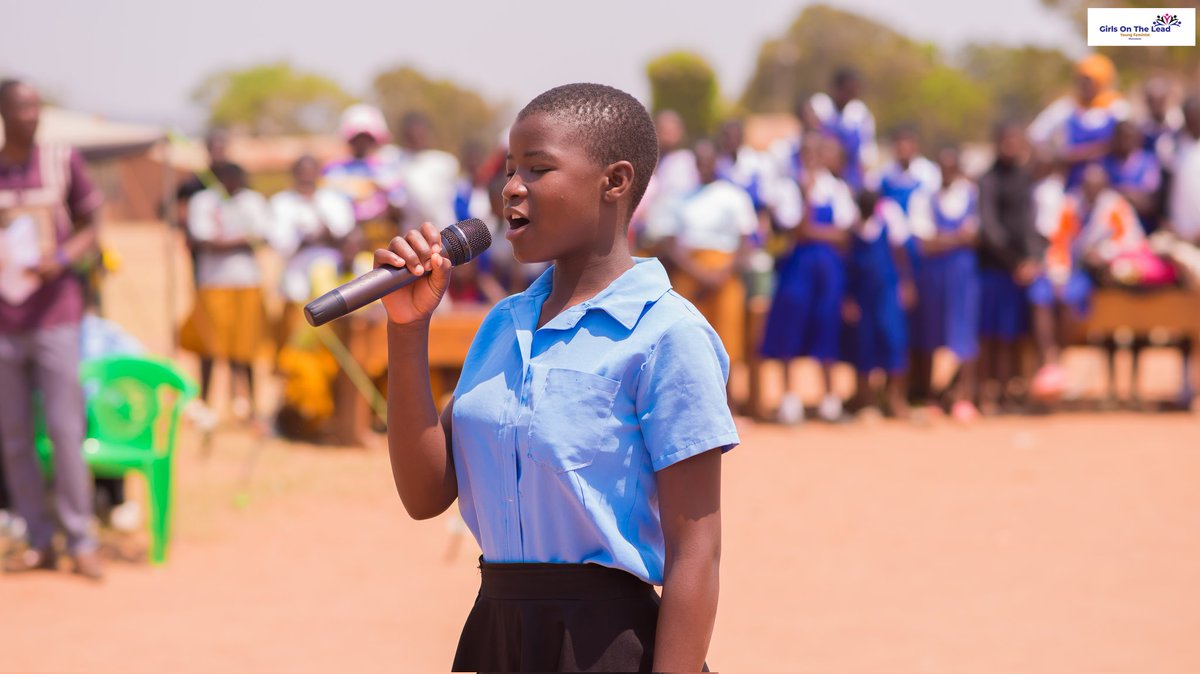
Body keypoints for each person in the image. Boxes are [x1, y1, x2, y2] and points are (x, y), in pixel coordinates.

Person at [378, 83, 736, 672]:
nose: (511, 186)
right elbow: (423, 495)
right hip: (498, 634)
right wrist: (407, 329)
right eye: (511, 168)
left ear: (615, 182)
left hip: (605, 645)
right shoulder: (504, 324)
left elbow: (696, 552)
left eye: (538, 169)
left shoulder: (666, 334)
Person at [0, 79, 104, 579]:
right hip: (5, 323)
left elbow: (92, 223)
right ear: (3, 112)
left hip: (56, 317)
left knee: (66, 432)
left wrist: (61, 258)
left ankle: (81, 539)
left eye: (35, 107)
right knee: (15, 438)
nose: (29, 115)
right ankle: (39, 539)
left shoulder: (62, 161)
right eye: (20, 107)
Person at [760, 135, 858, 424]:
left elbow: (845, 235)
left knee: (826, 325)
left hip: (828, 270)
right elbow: (798, 231)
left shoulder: (836, 188)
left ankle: (830, 399)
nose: (813, 157)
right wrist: (807, 201)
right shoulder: (788, 189)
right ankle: (790, 399)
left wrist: (813, 231)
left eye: (819, 152)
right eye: (808, 152)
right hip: (797, 267)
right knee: (790, 326)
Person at [1028, 163, 1145, 401]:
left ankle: (1058, 362)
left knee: (1071, 299)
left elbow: (1132, 243)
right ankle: (1049, 365)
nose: (1091, 191)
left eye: (1096, 187)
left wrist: (1104, 253)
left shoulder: (1115, 207)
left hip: (1100, 274)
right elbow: (1057, 242)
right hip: (1067, 268)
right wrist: (1059, 272)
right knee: (1040, 294)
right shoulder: (1070, 205)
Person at [651, 139, 757, 395]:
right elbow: (670, 243)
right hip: (690, 274)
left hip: (725, 274)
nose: (705, 166)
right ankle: (691, 400)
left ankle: (730, 403)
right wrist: (698, 273)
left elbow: (746, 243)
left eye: (710, 161)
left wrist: (721, 273)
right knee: (689, 341)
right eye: (700, 162)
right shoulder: (681, 199)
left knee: (727, 339)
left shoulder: (733, 196)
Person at [180, 162, 270, 428]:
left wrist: (225, 242)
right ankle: (206, 405)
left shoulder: (252, 201)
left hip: (247, 282)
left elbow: (262, 236)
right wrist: (242, 240)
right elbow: (203, 238)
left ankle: (251, 407)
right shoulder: (203, 201)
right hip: (213, 283)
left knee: (246, 347)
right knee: (209, 347)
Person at [908, 147, 982, 421]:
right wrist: (957, 239)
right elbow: (924, 245)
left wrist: (943, 239)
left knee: (964, 334)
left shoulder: (971, 196)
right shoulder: (924, 197)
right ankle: (930, 397)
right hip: (933, 275)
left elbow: (975, 237)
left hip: (963, 275)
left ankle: (965, 397)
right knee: (931, 333)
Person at [976, 123, 1043, 413]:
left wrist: (1034, 259)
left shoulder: (1025, 178)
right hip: (995, 269)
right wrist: (1015, 262)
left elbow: (1030, 224)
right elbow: (990, 228)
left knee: (1012, 336)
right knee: (991, 337)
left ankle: (1012, 391)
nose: (1011, 147)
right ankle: (988, 395)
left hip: (1022, 271)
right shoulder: (988, 179)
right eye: (1006, 141)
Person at [845, 190, 914, 419]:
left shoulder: (888, 221)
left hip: (887, 292)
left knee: (893, 340)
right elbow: (849, 266)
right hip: (863, 295)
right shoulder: (853, 229)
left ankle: (895, 398)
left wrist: (906, 283)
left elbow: (901, 253)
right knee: (865, 344)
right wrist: (849, 298)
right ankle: (868, 401)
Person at [1028, 54, 1130, 190]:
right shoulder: (1066, 108)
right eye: (1080, 80)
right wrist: (1058, 155)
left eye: (1089, 80)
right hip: (1074, 184)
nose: (1084, 85)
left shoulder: (1118, 108)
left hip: (1110, 184)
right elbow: (1035, 134)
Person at [323, 104, 405, 261]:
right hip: (345, 248)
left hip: (381, 241)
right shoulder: (334, 169)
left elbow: (399, 209)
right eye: (357, 138)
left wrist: (383, 190)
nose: (361, 143)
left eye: (366, 138)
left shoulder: (388, 168)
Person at [631, 110, 699, 250]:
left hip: (670, 234)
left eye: (672, 131)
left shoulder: (684, 161)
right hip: (641, 231)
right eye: (664, 130)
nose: (668, 136)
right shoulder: (645, 160)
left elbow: (679, 199)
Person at [810, 67, 878, 193]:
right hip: (821, 177)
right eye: (847, 90)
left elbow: (866, 157)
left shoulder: (860, 115)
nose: (851, 94)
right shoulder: (820, 108)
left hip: (850, 179)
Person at [395, 111, 460, 235]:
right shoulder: (395, 160)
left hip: (444, 232)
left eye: (420, 134)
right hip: (410, 235)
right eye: (412, 135)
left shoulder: (444, 162)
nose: (416, 137)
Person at [1104, 120, 1163, 233]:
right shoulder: (1105, 164)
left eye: (1129, 137)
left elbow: (1149, 203)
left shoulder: (1148, 162)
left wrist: (1117, 193)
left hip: (1143, 230)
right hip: (1113, 232)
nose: (1124, 142)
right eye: (1121, 137)